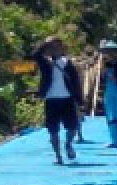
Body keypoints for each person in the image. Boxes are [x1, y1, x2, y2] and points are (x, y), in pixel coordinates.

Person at [31, 35, 84, 165]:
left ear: (62, 48)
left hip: (67, 99)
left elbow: (75, 82)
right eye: (52, 47)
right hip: (51, 99)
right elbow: (34, 55)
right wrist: (45, 44)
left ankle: (68, 144)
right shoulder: (45, 61)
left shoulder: (68, 62)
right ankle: (58, 156)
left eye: (57, 46)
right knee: (53, 130)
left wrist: (79, 99)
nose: (54, 49)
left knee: (72, 127)